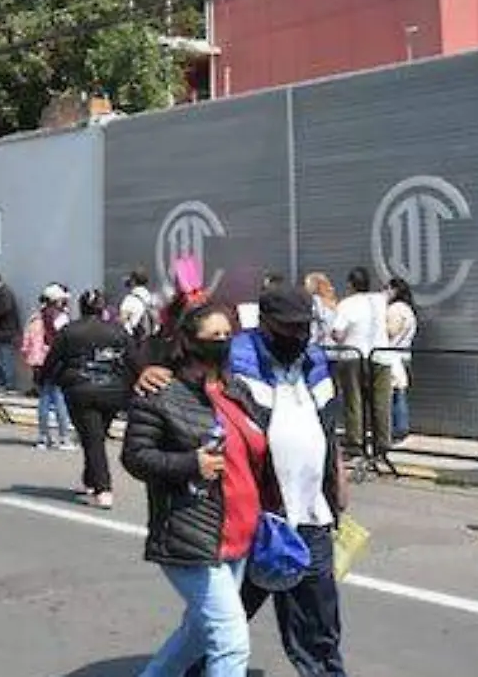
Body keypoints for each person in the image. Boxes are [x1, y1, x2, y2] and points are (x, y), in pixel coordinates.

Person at [139, 283, 352, 677]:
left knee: (318, 619)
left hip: (311, 515)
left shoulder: (316, 361)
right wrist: (150, 371)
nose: (298, 335)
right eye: (288, 328)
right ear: (266, 324)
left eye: (304, 327)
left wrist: (336, 474)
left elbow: (327, 426)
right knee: (223, 627)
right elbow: (185, 375)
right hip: (255, 517)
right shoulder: (236, 359)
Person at [122, 297, 267, 677]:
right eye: (212, 335)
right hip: (192, 534)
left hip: (238, 534)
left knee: (199, 634)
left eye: (227, 334)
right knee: (230, 640)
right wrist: (191, 464)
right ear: (188, 341)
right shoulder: (161, 392)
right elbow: (135, 457)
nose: (222, 341)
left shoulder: (237, 391)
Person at [44, 289, 134, 508]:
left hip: (80, 390)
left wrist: (47, 378)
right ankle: (91, 479)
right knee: (95, 435)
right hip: (113, 390)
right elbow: (133, 359)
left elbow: (53, 360)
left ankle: (103, 487)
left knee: (93, 438)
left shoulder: (69, 331)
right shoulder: (118, 331)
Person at [327, 266, 388, 459]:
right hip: (380, 355)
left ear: (350, 284)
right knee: (380, 402)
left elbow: (337, 332)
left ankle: (355, 442)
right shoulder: (380, 300)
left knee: (354, 400)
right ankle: (382, 444)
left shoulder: (347, 304)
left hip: (353, 355)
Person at [23, 284, 75, 450]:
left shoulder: (35, 318)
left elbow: (26, 343)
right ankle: (64, 437)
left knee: (44, 399)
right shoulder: (61, 319)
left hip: (39, 363)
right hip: (56, 362)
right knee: (59, 399)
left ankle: (43, 437)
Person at [380, 277, 419, 443]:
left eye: (386, 289)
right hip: (404, 355)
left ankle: (397, 429)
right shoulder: (408, 310)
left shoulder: (396, 309)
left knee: (394, 394)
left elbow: (391, 331)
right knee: (399, 392)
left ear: (394, 290)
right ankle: (399, 429)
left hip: (393, 356)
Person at [0, 274, 21, 396]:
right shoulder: (2, 292)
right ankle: (2, 384)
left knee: (5, 360)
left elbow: (3, 309)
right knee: (0, 360)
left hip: (5, 333)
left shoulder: (3, 293)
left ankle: (9, 385)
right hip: (3, 332)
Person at [118, 268, 157, 343]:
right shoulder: (152, 298)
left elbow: (123, 320)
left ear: (133, 282)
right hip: (151, 341)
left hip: (135, 340)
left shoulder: (129, 299)